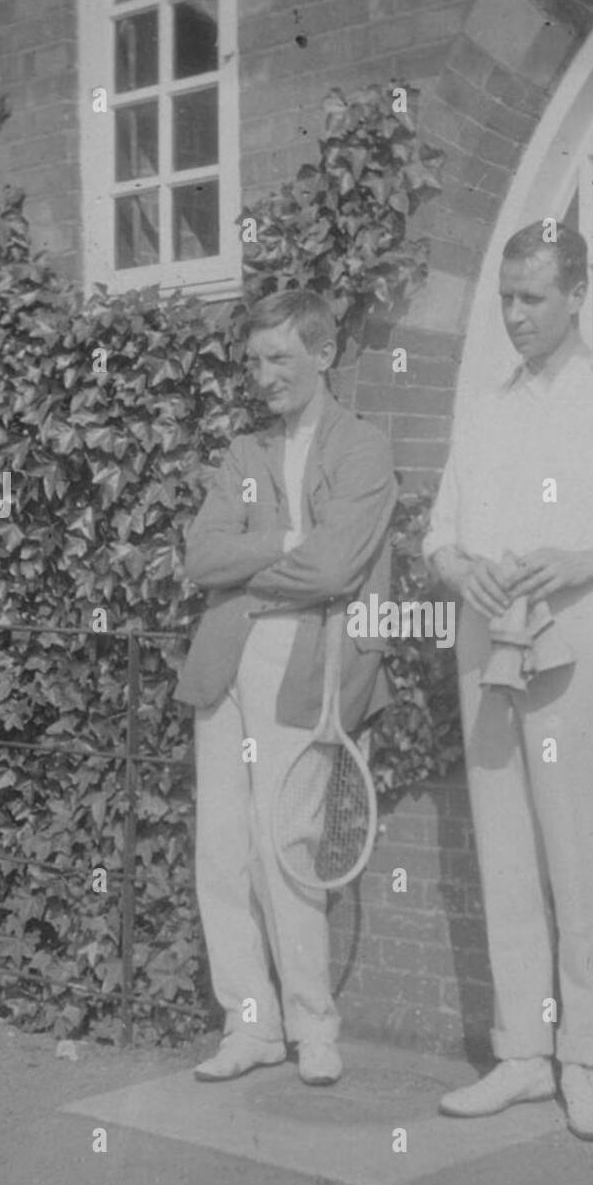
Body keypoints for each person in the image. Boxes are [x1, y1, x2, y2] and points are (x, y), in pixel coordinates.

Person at [423, 221, 593, 1140]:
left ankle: (584, 1059)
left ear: (578, 295)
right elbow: (440, 536)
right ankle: (523, 1057)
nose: (515, 315)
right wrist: (462, 571)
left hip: (578, 635)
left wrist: (579, 559)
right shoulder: (486, 405)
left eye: (532, 298)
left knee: (581, 854)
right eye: (506, 297)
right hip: (486, 638)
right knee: (505, 850)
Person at [175, 290, 396, 1087]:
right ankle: (250, 1025)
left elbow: (339, 567)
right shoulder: (244, 453)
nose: (262, 375)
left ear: (324, 355)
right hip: (227, 666)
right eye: (254, 361)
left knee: (286, 849)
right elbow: (202, 556)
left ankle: (312, 1026)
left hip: (308, 670)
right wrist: (290, 543)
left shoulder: (362, 448)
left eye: (280, 358)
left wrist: (257, 571)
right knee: (222, 854)